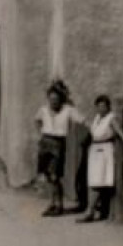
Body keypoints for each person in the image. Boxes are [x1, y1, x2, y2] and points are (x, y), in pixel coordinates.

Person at [34, 79, 83, 217]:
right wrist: (39, 134)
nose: (53, 102)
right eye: (51, 99)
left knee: (55, 176)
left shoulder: (68, 110)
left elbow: (82, 120)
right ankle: (52, 203)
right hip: (45, 142)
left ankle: (59, 205)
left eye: (56, 99)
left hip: (58, 143)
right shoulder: (43, 109)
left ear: (61, 99)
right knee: (48, 176)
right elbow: (37, 120)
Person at [79, 95, 123, 223]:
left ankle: (90, 211)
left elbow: (118, 130)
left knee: (97, 181)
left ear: (108, 106)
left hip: (104, 150)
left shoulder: (111, 118)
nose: (101, 108)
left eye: (103, 106)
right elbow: (92, 131)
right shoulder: (97, 118)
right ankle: (91, 210)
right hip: (95, 149)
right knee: (92, 180)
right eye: (99, 106)